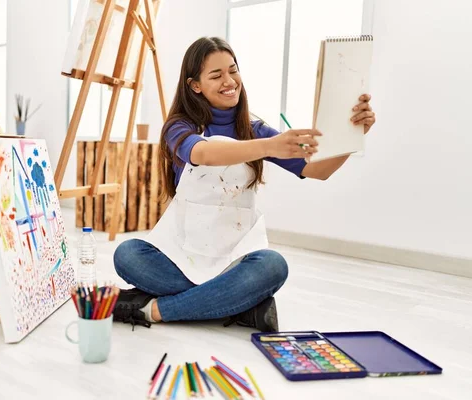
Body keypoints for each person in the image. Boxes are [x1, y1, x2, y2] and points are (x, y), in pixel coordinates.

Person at [111, 37, 376, 331]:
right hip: (181, 254)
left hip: (233, 258)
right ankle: (239, 305)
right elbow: (203, 153)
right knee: (127, 255)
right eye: (216, 75)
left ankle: (155, 309)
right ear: (195, 85)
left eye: (233, 70)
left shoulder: (254, 129)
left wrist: (353, 136)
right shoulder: (178, 127)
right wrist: (267, 147)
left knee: (272, 266)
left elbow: (318, 171)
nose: (230, 81)